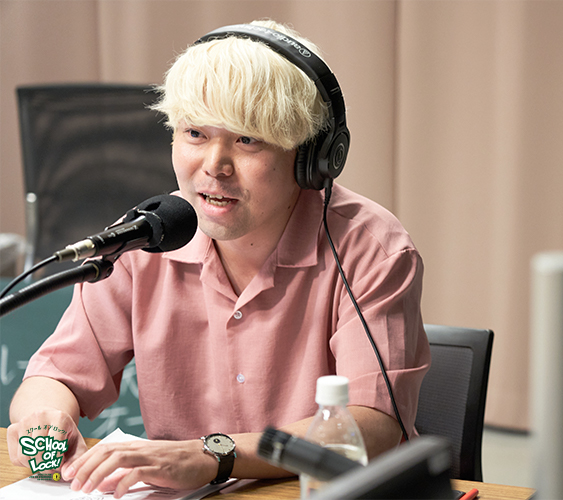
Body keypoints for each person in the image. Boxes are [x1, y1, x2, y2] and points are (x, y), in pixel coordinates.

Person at [7, 19, 430, 498]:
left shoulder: (371, 248)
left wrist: (213, 456)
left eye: (247, 140)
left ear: (309, 158)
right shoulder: (147, 237)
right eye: (195, 133)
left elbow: (371, 426)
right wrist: (45, 418)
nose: (214, 166)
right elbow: (53, 377)